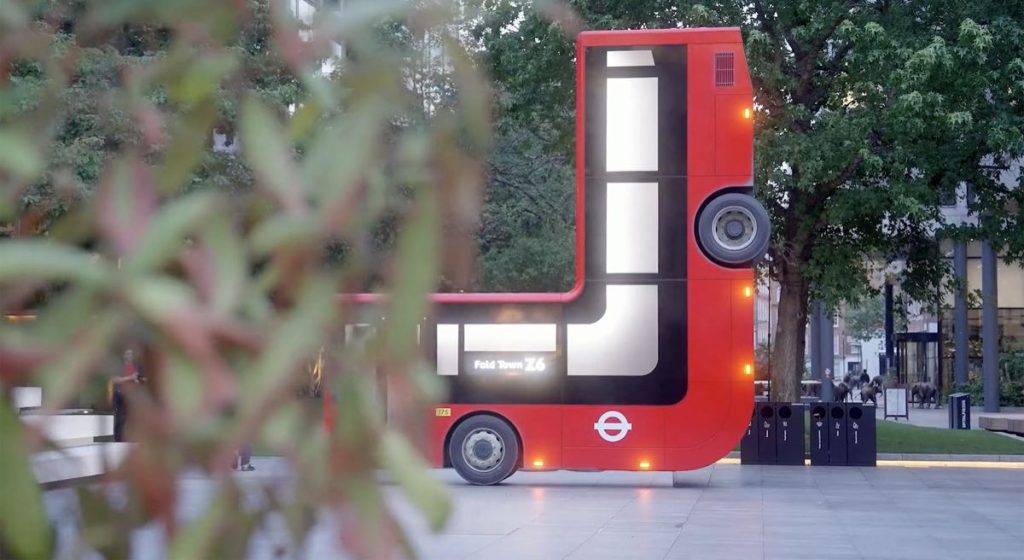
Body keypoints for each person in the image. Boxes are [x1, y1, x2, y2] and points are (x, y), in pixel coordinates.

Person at [111, 349, 141, 442]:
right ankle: (118, 438)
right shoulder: (119, 367)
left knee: (131, 417)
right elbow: (116, 379)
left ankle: (129, 438)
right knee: (119, 417)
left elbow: (135, 380)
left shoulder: (134, 367)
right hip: (120, 394)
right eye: (127, 354)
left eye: (131, 355)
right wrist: (130, 378)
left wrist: (136, 380)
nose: (129, 356)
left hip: (130, 395)